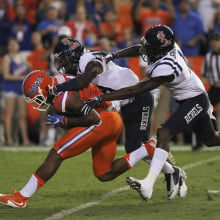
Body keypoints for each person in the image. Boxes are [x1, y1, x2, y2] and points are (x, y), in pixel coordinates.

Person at [0, 70, 180, 208]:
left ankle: (21, 198)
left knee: (56, 154)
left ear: (43, 89)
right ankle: (146, 149)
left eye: (35, 97)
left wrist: (65, 120)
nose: (36, 102)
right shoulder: (57, 81)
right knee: (104, 173)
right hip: (109, 118)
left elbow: (93, 118)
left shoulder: (63, 99)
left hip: (103, 120)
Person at [83, 24, 220, 200]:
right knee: (210, 140)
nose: (146, 50)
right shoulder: (167, 48)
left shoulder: (167, 67)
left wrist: (102, 98)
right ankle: (170, 174)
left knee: (164, 132)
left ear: (161, 49)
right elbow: (140, 49)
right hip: (191, 96)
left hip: (195, 100)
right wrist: (114, 55)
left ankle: (149, 183)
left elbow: (136, 89)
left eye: (151, 47)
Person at [48, 37, 187, 200]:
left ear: (73, 55)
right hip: (126, 102)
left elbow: (84, 80)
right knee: (137, 147)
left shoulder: (89, 61)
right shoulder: (82, 63)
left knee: (136, 147)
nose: (62, 65)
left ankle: (171, 170)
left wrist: (55, 88)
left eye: (63, 59)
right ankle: (172, 171)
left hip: (138, 97)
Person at [1, 38, 30, 146]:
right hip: (10, 88)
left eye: (15, 44)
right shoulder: (7, 58)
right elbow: (6, 75)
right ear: (8, 47)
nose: (13, 46)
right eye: (11, 45)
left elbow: (29, 68)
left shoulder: (22, 58)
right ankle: (9, 139)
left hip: (20, 88)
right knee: (10, 114)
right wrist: (20, 78)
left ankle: (25, 140)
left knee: (22, 115)